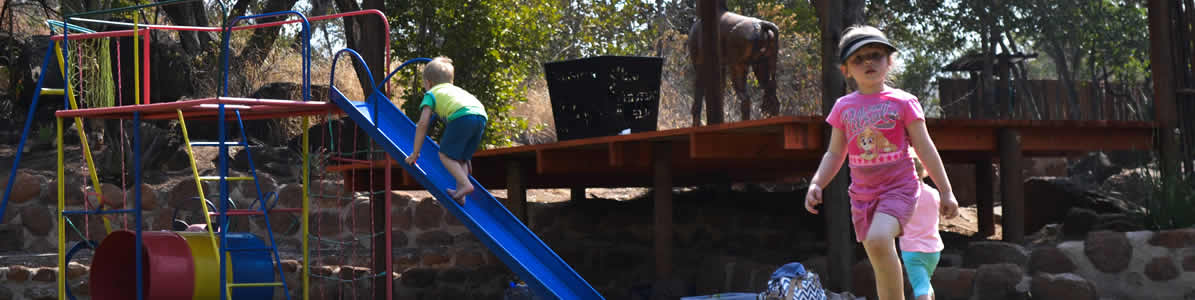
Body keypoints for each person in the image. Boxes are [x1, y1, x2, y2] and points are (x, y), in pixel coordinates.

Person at [803, 25, 959, 300]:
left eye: (875, 55)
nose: (868, 63)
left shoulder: (903, 102)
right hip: (862, 197)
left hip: (900, 188)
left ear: (889, 61)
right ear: (846, 71)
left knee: (877, 239)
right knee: (877, 252)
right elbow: (835, 154)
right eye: (858, 59)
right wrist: (817, 182)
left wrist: (945, 190)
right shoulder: (843, 107)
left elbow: (924, 147)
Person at [404, 56, 488, 205]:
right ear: (451, 81)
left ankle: (466, 185)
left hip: (462, 116)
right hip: (481, 115)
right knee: (460, 158)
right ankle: (461, 193)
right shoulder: (455, 90)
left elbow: (423, 124)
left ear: (428, 83)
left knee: (444, 155)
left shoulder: (431, 94)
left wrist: (415, 153)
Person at [901, 149, 943, 300]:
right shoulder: (934, 193)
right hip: (933, 250)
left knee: (920, 288)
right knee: (925, 283)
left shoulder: (903, 195)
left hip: (912, 249)